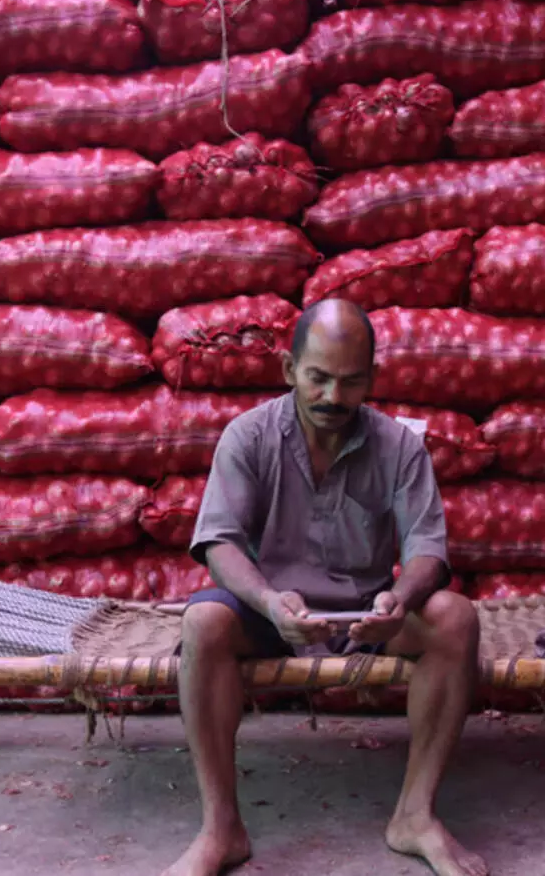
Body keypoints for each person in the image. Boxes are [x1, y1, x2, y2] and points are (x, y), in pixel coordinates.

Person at [163, 299, 487, 876]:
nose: (333, 397)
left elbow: (427, 551)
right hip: (272, 614)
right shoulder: (249, 436)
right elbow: (219, 543)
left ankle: (414, 816)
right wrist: (266, 600)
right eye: (318, 377)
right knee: (203, 622)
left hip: (370, 615)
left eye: (350, 381)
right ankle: (221, 830)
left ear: (372, 379)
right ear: (289, 370)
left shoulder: (400, 446)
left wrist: (400, 599)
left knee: (456, 618)